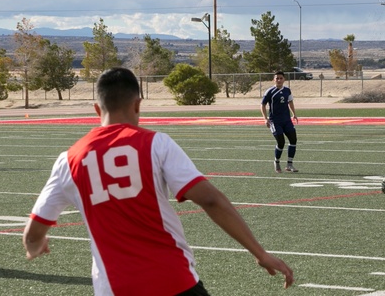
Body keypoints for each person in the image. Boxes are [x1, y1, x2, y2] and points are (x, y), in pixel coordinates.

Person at [23, 67, 294, 296]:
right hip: (173, 280)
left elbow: (32, 233)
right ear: (138, 104)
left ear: (97, 108)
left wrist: (36, 243)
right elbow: (211, 200)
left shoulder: (68, 160)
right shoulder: (156, 144)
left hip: (114, 287)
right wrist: (259, 252)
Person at [261, 71, 299, 173]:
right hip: (275, 121)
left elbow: (290, 102)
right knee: (281, 142)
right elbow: (263, 105)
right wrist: (265, 119)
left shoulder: (287, 90)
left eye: (280, 78)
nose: (279, 80)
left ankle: (289, 164)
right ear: (274, 79)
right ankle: (276, 162)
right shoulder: (270, 91)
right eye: (277, 78)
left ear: (284, 79)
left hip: (286, 120)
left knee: (293, 140)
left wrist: (294, 114)